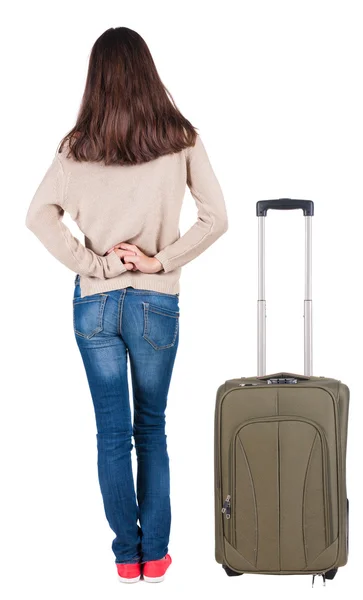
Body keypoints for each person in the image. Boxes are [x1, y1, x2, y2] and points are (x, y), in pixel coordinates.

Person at [25, 26, 228, 584]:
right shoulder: (179, 136)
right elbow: (217, 218)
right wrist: (156, 263)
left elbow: (37, 215)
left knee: (112, 433)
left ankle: (126, 558)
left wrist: (98, 266)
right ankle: (157, 558)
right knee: (152, 429)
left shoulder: (76, 147)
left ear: (96, 79)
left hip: (95, 303)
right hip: (155, 305)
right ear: (148, 72)